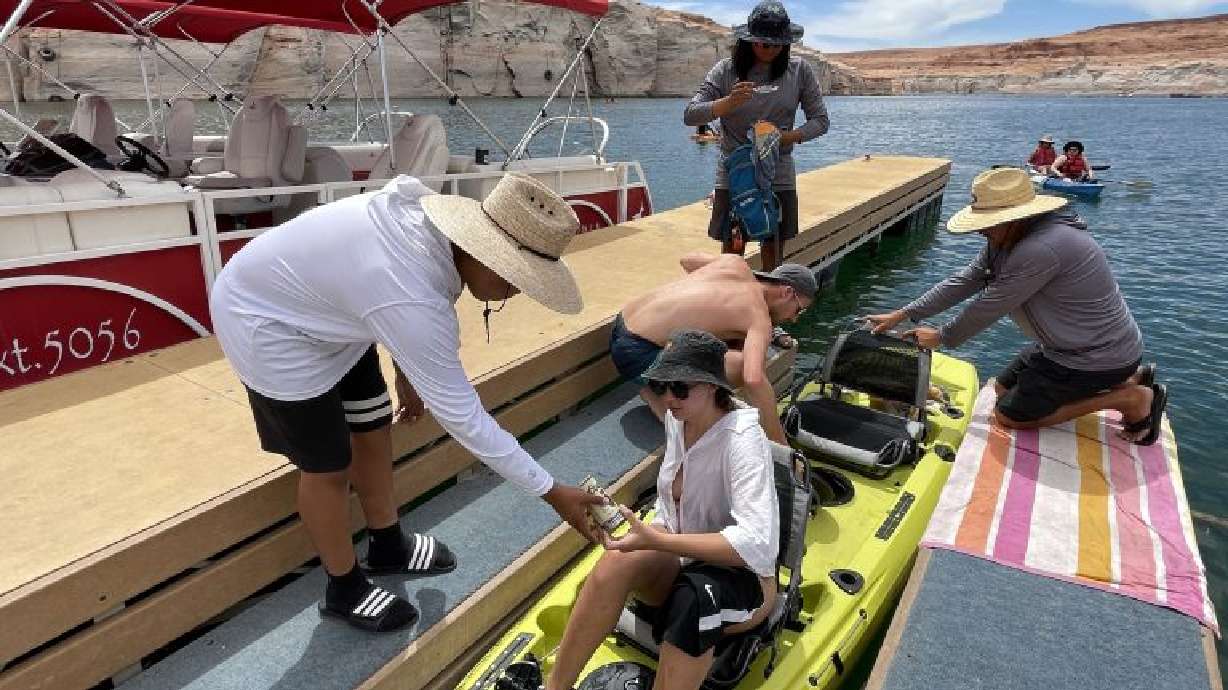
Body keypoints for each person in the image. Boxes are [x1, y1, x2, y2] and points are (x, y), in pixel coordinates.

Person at [208, 173, 605, 633]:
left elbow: (388, 296)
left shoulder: (432, 236)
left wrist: (407, 373)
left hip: (331, 309)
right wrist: (551, 491)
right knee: (327, 465)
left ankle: (387, 544)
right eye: (515, 278)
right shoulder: (411, 294)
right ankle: (344, 586)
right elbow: (465, 418)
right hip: (264, 320)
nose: (517, 292)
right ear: (480, 250)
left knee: (373, 422)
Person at [545, 330, 779, 690]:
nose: (668, 398)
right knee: (615, 562)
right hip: (682, 559)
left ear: (712, 385)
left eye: (680, 388)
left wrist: (659, 541)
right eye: (660, 385)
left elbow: (758, 545)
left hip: (744, 579)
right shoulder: (678, 419)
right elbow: (673, 510)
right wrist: (647, 534)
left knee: (694, 601)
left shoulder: (743, 441)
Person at [866, 167, 1165, 444]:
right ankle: (1130, 377)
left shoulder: (1041, 247)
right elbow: (966, 280)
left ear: (1014, 217)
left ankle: (1131, 398)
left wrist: (943, 337)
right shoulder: (1009, 239)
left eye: (987, 224)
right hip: (1066, 347)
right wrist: (905, 313)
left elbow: (991, 304)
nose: (981, 231)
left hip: (1092, 355)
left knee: (1010, 416)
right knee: (1002, 390)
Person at [684, 0, 829, 272]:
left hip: (779, 172)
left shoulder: (800, 71)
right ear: (748, 40)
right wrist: (726, 103)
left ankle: (770, 306)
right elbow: (690, 114)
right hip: (735, 173)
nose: (770, 50)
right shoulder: (725, 71)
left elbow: (821, 121)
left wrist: (786, 137)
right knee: (733, 250)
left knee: (773, 249)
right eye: (763, 43)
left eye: (777, 45)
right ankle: (731, 301)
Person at [611, 257, 816, 444]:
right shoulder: (758, 317)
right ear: (787, 292)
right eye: (798, 310)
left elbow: (687, 261)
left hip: (621, 323)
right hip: (637, 356)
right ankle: (659, 395)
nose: (794, 318)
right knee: (741, 365)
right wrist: (780, 443)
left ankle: (657, 384)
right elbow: (753, 379)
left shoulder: (735, 264)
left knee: (729, 342)